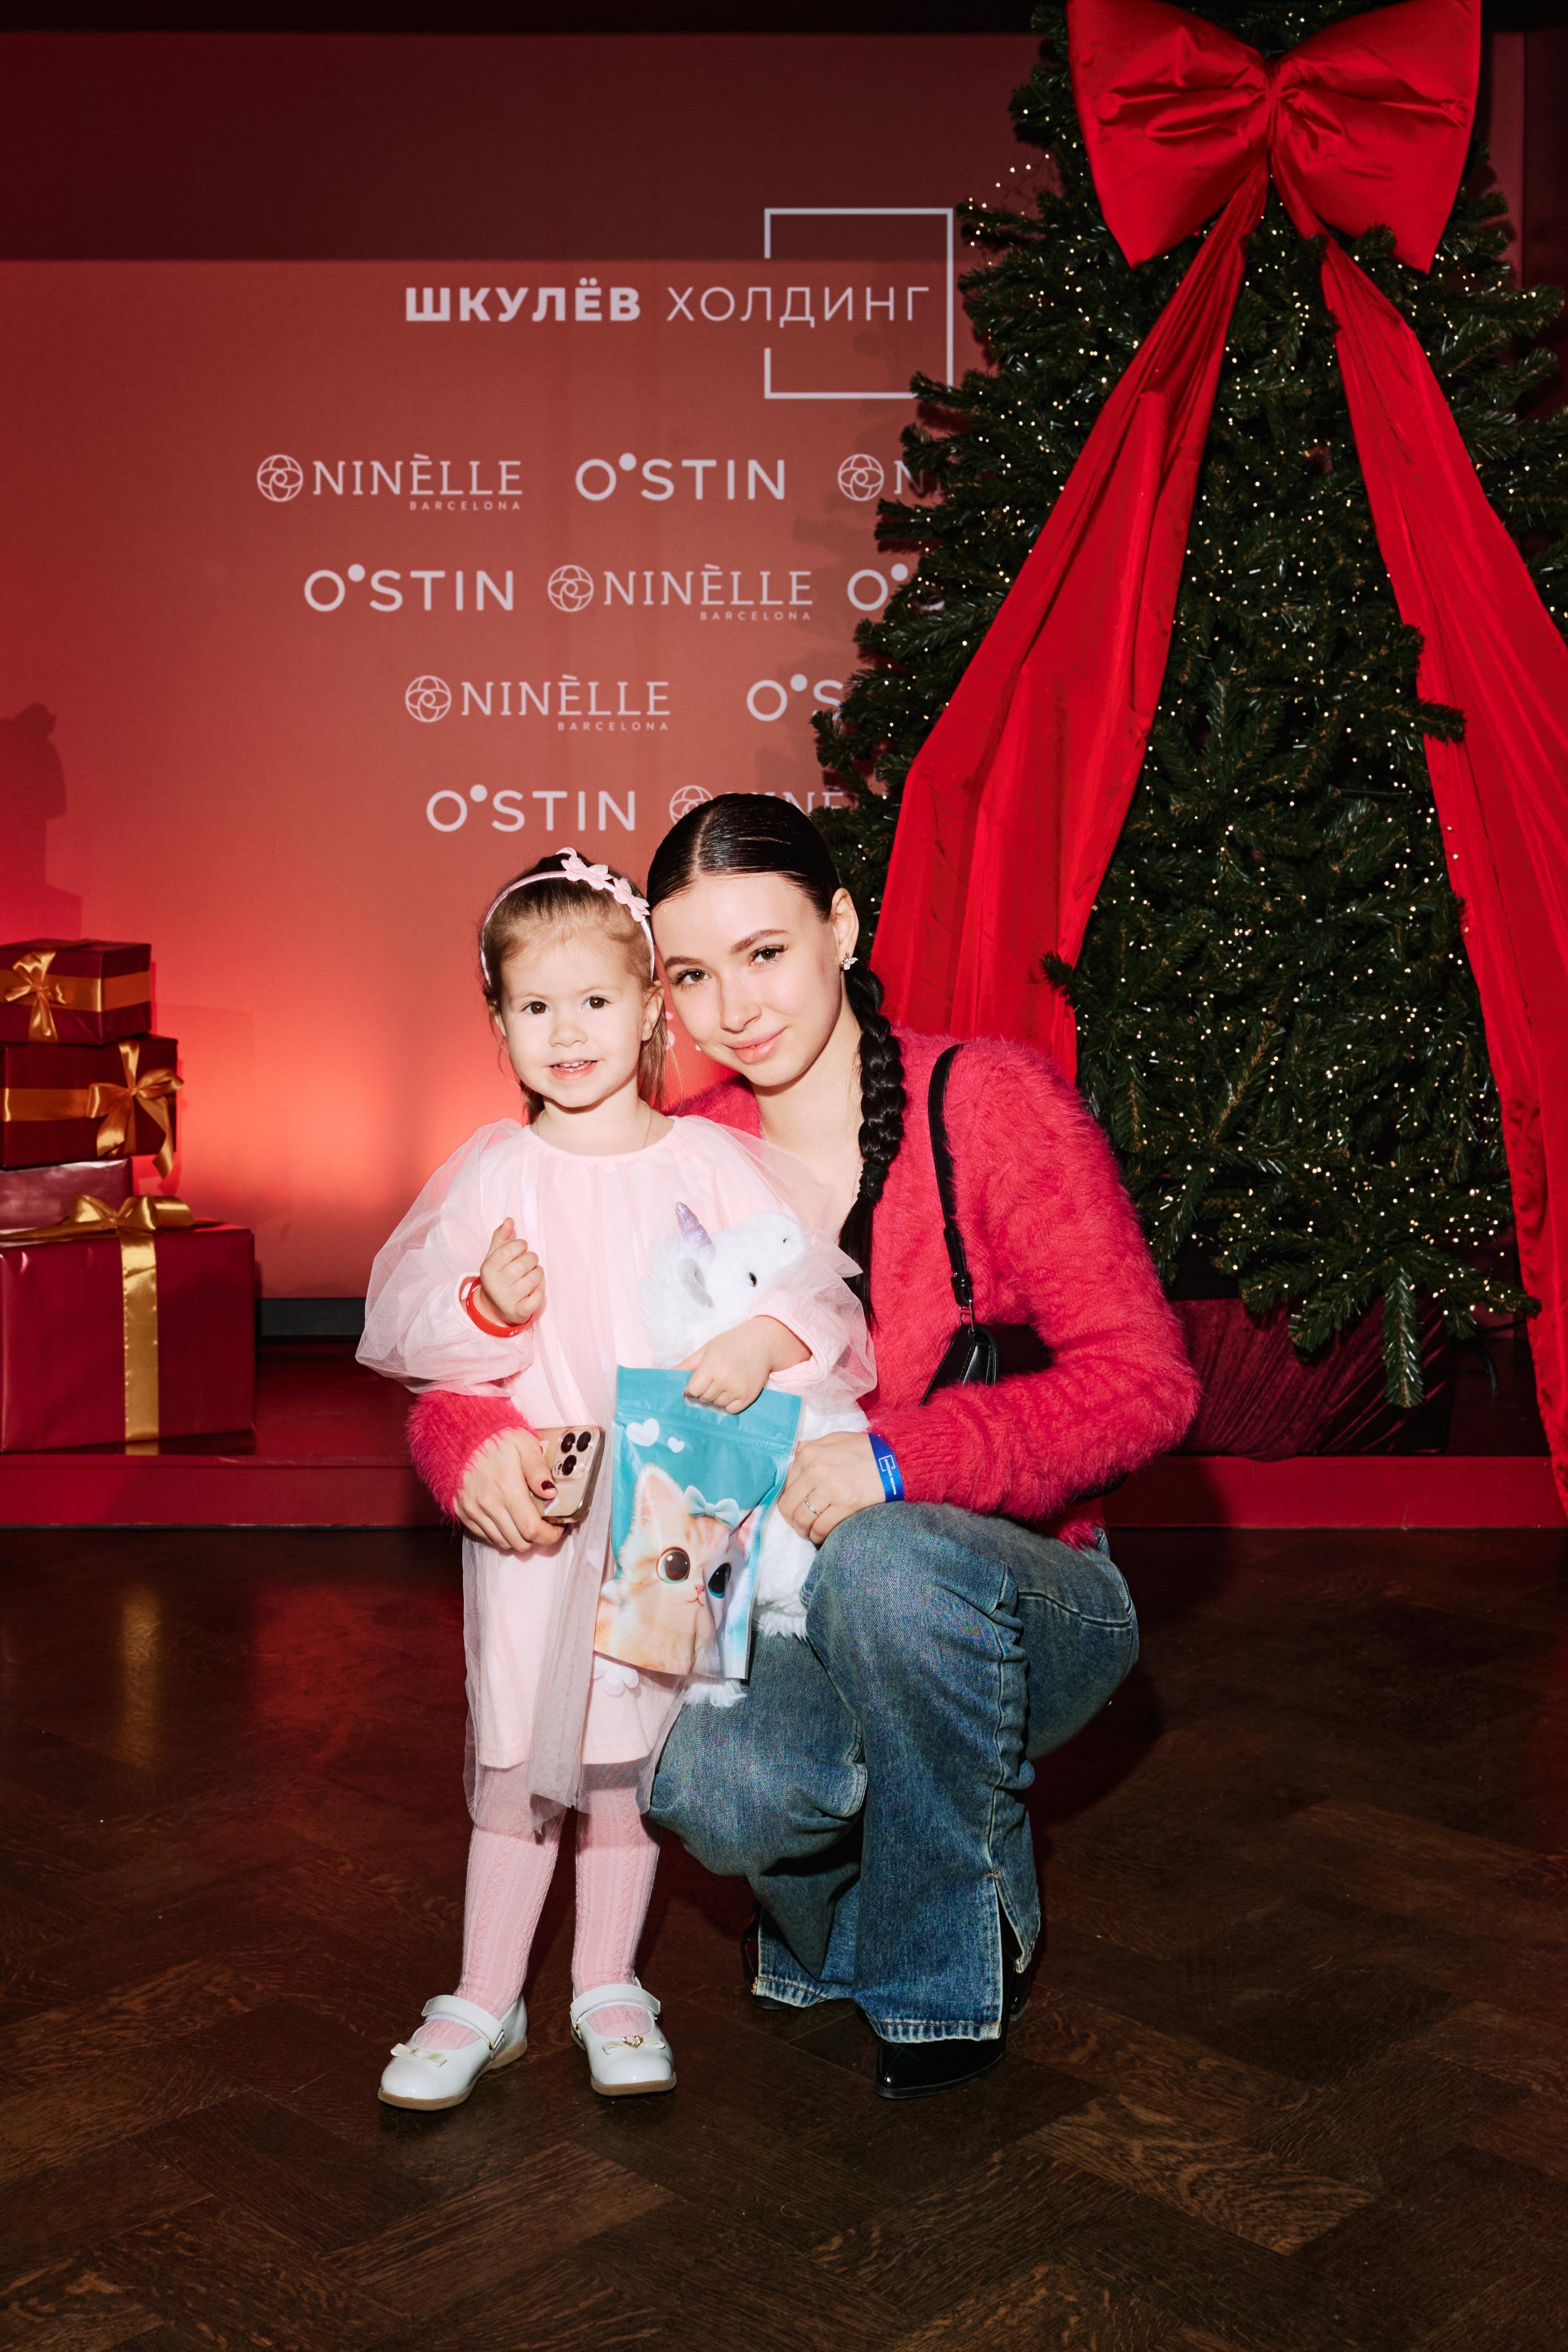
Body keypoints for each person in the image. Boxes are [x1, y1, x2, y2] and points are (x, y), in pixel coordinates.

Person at [410, 800, 1198, 2102]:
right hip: (764, 1591)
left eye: (765, 954)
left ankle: (937, 1972)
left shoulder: (984, 1102)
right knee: (706, 1781)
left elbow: (1145, 1384)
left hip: (1009, 1591)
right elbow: (539, 1359)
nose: (734, 1010)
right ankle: (824, 1911)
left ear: (840, 926)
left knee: (885, 1566)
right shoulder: (685, 1149)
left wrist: (896, 1464)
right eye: (691, 976)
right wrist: (472, 1448)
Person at [359, 846, 868, 2110]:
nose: (568, 1031)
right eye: (536, 1006)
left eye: (595, 1000)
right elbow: (419, 1336)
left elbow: (816, 1302)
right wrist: (487, 1305)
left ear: (650, 1009)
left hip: (670, 1515)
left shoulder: (710, 1165)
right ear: (498, 1026)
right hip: (539, 1522)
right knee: (520, 1757)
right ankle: (482, 1996)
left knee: (630, 1762)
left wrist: (763, 1340)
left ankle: (606, 1983)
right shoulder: (495, 1172)